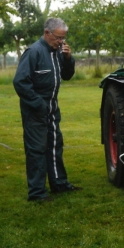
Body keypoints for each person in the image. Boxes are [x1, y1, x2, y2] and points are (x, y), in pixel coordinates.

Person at [13, 17, 81, 202]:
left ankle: (59, 184)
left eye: (63, 39)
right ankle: (36, 193)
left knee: (54, 146)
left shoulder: (58, 52)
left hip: (52, 109)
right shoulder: (33, 52)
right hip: (35, 111)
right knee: (36, 150)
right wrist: (38, 104)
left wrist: (68, 59)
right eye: (58, 38)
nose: (61, 42)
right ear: (47, 33)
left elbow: (66, 76)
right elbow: (20, 82)